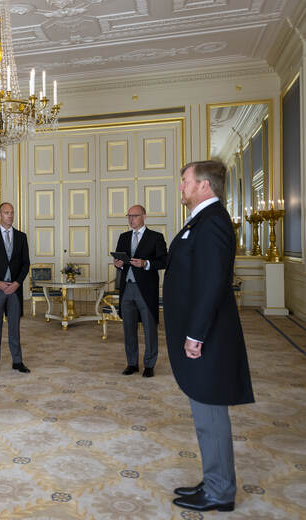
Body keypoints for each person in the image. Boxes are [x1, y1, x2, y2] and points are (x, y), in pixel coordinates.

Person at [164, 160, 254, 513]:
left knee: (210, 416)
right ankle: (215, 480)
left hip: (208, 338)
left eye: (185, 180)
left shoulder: (212, 221)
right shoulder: (201, 220)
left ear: (204, 185)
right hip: (202, 333)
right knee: (205, 415)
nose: (181, 186)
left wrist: (196, 334)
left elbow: (213, 283)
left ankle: (220, 491)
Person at [113, 204, 167, 378]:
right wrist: (118, 264)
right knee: (128, 328)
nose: (131, 219)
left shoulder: (156, 237)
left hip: (146, 289)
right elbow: (121, 261)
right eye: (129, 216)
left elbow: (164, 261)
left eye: (134, 216)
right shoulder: (123, 237)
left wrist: (146, 264)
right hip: (127, 288)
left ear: (143, 216)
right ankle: (132, 363)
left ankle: (149, 364)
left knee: (149, 328)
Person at [0, 202, 31, 375]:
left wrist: (17, 283)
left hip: (15, 289)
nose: (10, 215)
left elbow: (25, 264)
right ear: (0, 215)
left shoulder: (21, 237)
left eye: (12, 212)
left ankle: (17, 361)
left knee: (14, 328)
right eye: (6, 212)